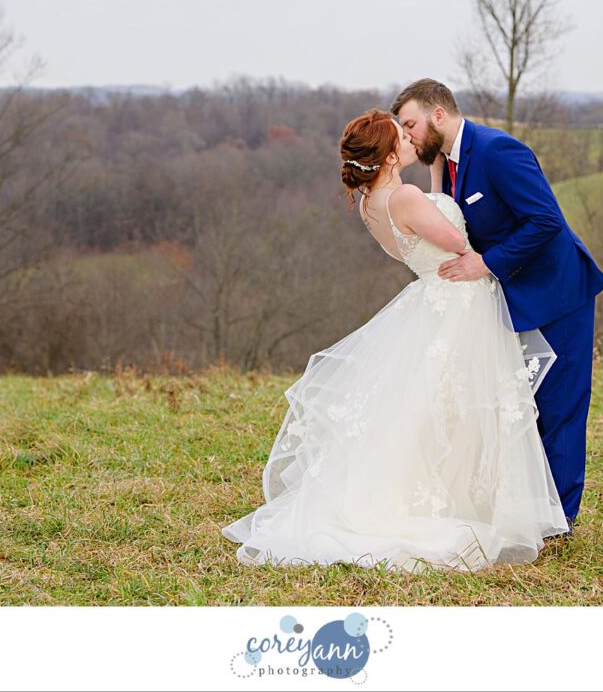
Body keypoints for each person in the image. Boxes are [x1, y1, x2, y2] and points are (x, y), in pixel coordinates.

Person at [220, 109, 570, 573]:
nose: (408, 138)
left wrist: (433, 172)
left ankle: (454, 494)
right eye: (400, 136)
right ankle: (461, 502)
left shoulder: (374, 202)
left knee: (435, 406)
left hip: (434, 297)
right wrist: (484, 253)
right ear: (388, 156)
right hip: (459, 301)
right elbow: (454, 237)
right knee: (461, 405)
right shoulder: (403, 198)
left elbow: (433, 211)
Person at [392, 78, 603, 538]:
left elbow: (546, 221)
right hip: (512, 303)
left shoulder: (497, 151)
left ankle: (558, 522)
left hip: (557, 296)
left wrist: (485, 264)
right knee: (519, 408)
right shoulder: (449, 163)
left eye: (410, 124)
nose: (407, 134)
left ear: (438, 114)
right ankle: (527, 508)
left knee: (560, 407)